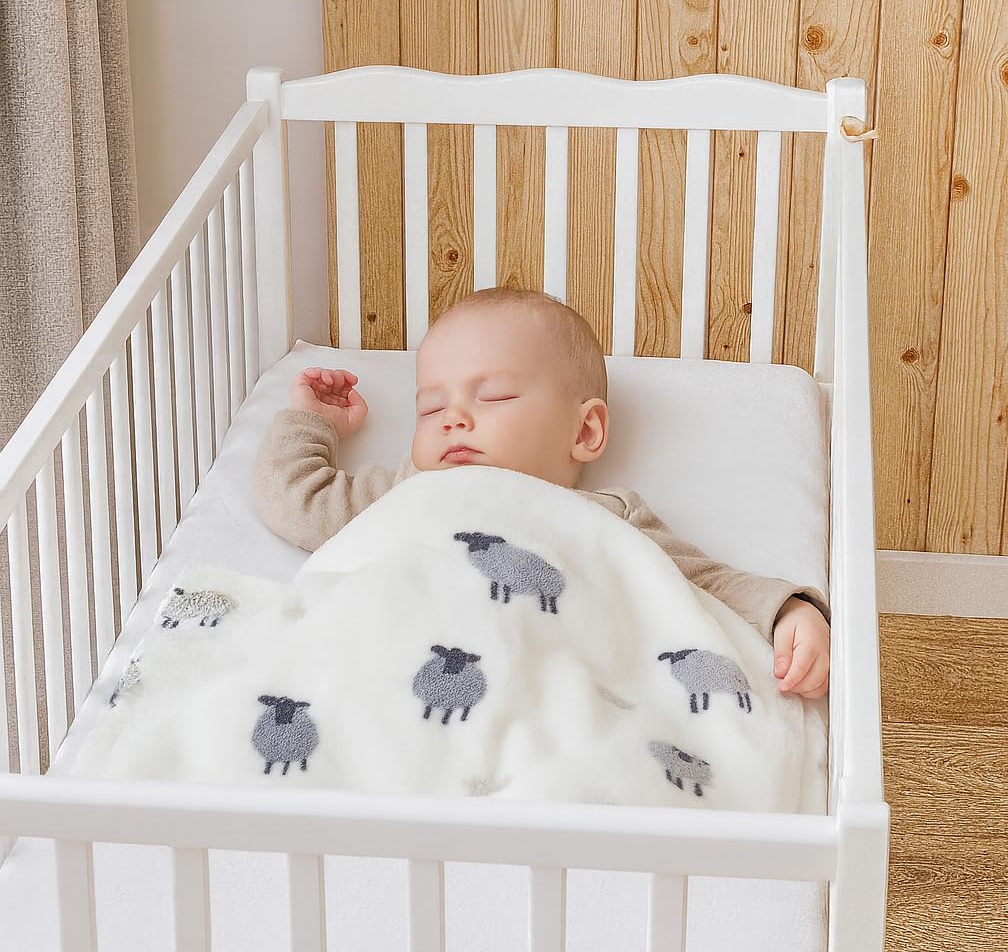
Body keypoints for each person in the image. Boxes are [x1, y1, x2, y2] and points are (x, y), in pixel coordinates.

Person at [254, 287, 831, 698]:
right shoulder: (408, 491)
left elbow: (704, 583)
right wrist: (313, 423)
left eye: (494, 397)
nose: (452, 418)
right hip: (396, 672)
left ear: (585, 431)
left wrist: (786, 611)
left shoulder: (606, 516)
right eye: (429, 408)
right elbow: (298, 500)